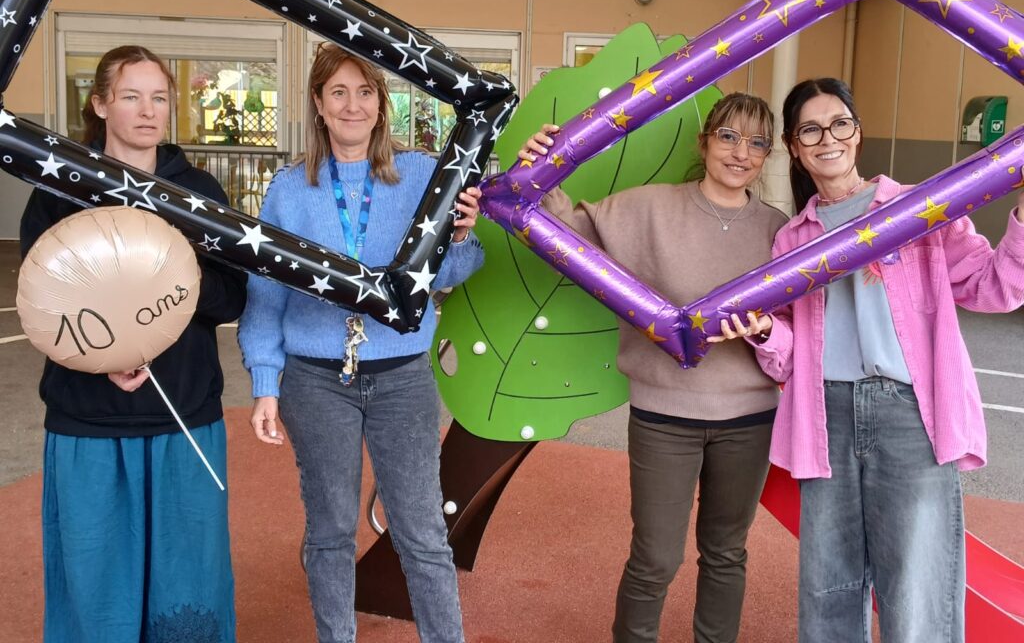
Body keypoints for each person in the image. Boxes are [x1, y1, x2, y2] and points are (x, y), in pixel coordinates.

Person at [712, 77, 1024, 643]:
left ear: (857, 133)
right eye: (810, 130)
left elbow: (995, 288)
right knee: (827, 582)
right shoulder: (792, 240)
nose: (827, 138)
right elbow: (787, 359)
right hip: (825, 414)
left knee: (917, 582)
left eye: (839, 124)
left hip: (909, 413)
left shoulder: (921, 209)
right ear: (794, 146)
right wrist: (764, 332)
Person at [518, 93, 788, 643]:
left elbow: (795, 327)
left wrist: (765, 331)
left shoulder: (778, 230)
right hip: (665, 418)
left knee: (726, 552)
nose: (741, 153)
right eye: (729, 136)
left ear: (767, 156)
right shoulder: (649, 208)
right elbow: (566, 230)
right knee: (655, 558)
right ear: (704, 142)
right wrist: (539, 167)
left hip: (750, 420)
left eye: (757, 143)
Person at [238, 44, 484, 643]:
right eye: (339, 93)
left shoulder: (422, 174)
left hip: (402, 376)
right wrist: (265, 381)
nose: (353, 105)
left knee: (422, 532)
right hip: (316, 379)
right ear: (319, 104)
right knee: (329, 533)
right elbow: (265, 291)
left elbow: (452, 273)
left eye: (366, 92)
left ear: (382, 103)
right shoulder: (290, 188)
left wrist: (462, 236)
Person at [20, 45, 247, 643]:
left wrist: (171, 272)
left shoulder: (198, 191)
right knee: (97, 595)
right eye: (130, 96)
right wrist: (104, 359)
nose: (148, 111)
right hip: (88, 422)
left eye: (159, 98)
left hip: (183, 418)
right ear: (99, 104)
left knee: (189, 594)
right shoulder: (59, 190)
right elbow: (43, 301)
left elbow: (232, 298)